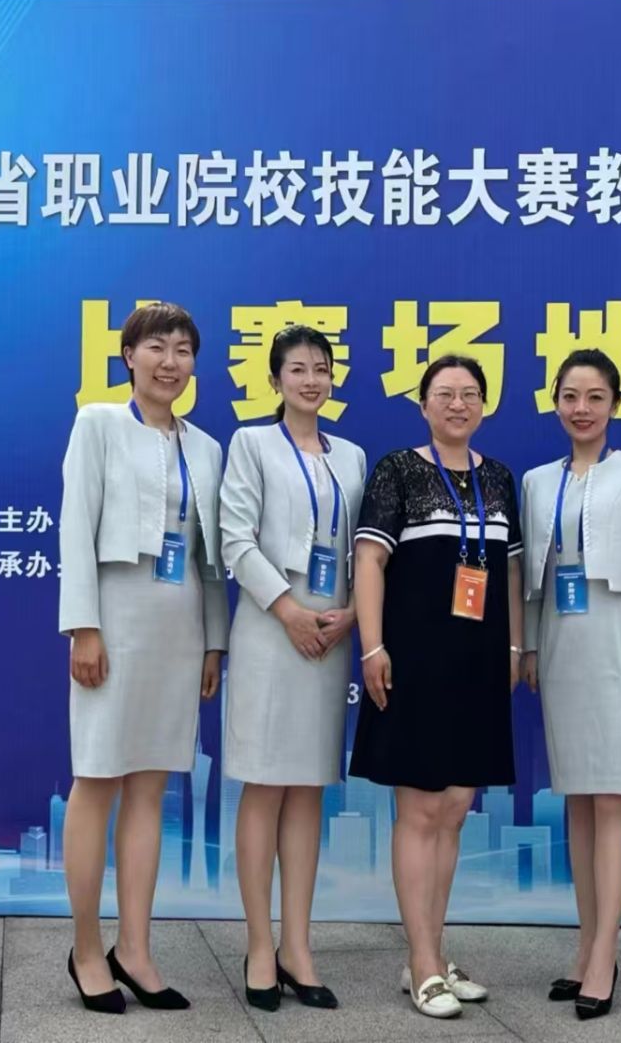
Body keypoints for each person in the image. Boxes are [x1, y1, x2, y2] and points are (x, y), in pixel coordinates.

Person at [56, 301, 228, 1015]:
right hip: (115, 621)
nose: (170, 362)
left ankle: (135, 947)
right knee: (97, 780)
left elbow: (209, 558)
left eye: (183, 350)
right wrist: (83, 627)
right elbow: (74, 526)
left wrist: (214, 640)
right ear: (128, 355)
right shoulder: (98, 423)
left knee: (151, 791)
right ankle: (87, 949)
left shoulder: (207, 448)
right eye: (156, 347)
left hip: (178, 630)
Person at [349, 355, 522, 1020]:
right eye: (444, 393)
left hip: (477, 664)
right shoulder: (397, 469)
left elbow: (509, 573)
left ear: (484, 405)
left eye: (470, 393)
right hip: (415, 661)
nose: (457, 404)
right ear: (423, 405)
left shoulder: (498, 477)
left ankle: (431, 951)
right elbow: (370, 559)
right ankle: (422, 962)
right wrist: (372, 645)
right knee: (419, 810)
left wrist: (514, 647)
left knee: (453, 808)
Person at [517, 349, 621, 1022]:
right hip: (562, 642)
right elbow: (530, 575)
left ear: (615, 404)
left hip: (620, 638)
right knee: (579, 797)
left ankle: (606, 953)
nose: (582, 409)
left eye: (596, 397)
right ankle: (586, 946)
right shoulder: (536, 481)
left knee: (613, 796)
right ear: (555, 402)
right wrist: (528, 643)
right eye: (570, 396)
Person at [219, 325, 367, 1013]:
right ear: (275, 379)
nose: (311, 380)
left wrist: (352, 614)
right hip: (270, 631)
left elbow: (366, 550)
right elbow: (235, 539)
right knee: (266, 785)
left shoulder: (352, 456)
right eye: (298, 369)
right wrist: (288, 610)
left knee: (309, 788)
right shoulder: (251, 444)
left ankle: (298, 946)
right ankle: (259, 945)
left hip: (330, 636)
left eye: (321, 368)